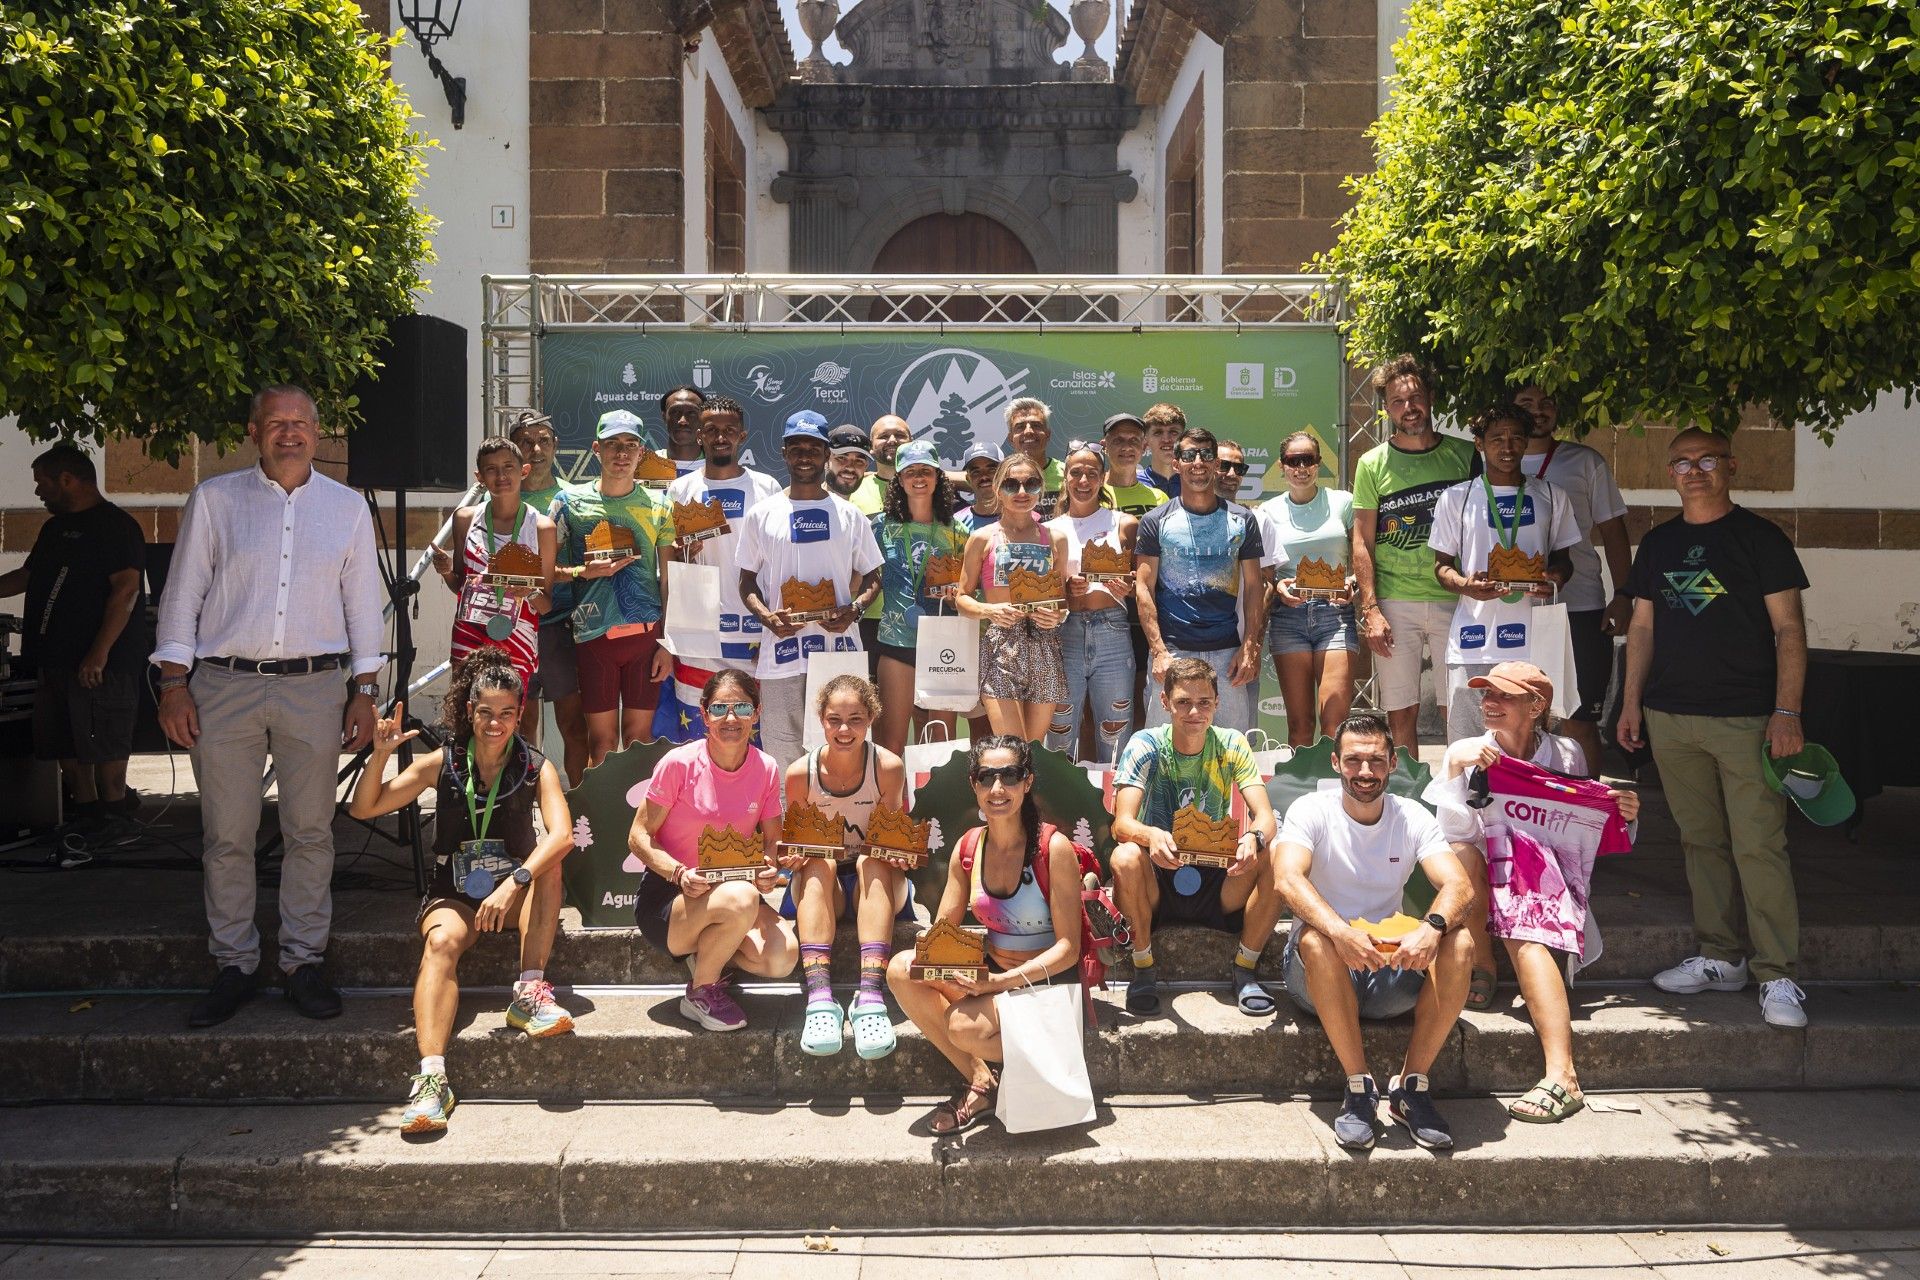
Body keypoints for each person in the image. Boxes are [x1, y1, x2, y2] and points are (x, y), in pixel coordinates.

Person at [152, 384, 384, 1028]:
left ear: (318, 432)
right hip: (222, 686)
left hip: (315, 686)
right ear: (253, 430)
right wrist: (173, 683)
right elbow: (182, 595)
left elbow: (363, 605)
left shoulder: (346, 510)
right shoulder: (215, 501)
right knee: (226, 835)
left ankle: (302, 962)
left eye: (301, 422)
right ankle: (235, 963)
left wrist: (364, 691)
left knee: (311, 831)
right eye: (276, 422)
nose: (290, 433)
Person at [1619, 427, 1811, 1028]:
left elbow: (1790, 631)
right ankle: (1719, 958)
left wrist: (1788, 713)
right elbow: (1643, 630)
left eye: (1706, 460)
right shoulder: (1657, 544)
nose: (1694, 471)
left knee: (1759, 844)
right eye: (1682, 463)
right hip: (1672, 717)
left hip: (1748, 718)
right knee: (1700, 842)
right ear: (1669, 473)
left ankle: (1776, 974)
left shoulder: (1761, 539)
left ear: (1730, 465)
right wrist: (1630, 704)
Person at [346, 649, 575, 1135]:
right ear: (469, 712)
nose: (496, 723)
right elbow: (365, 809)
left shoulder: (536, 767)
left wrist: (515, 882)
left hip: (514, 893)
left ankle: (529, 991)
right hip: (455, 892)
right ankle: (432, 1079)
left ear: (520, 715)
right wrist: (382, 754)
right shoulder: (441, 763)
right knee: (441, 943)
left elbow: (561, 835)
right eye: (486, 712)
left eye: (507, 713)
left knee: (549, 867)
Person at [1430, 661, 1640, 1121]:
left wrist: (1623, 812)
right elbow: (1455, 833)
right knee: (1464, 858)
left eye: (1504, 695)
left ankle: (1563, 1075)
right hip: (1494, 867)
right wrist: (1455, 771)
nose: (1489, 703)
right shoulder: (1467, 749)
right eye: (1486, 694)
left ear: (1536, 705)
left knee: (1522, 905)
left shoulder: (1567, 753)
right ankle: (1483, 963)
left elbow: (1581, 821)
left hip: (1547, 875)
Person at [1273, 712, 1480, 1150]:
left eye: (1376, 761)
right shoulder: (1310, 809)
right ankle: (1358, 1087)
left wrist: (1433, 927)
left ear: (1391, 765)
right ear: (1335, 764)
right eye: (1353, 761)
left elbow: (1459, 884)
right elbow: (1287, 878)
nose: (1364, 772)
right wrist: (1340, 932)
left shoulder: (1411, 816)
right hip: (1318, 971)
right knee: (1316, 938)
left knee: (1459, 941)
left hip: (1390, 968)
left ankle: (1411, 1088)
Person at [886, 735, 1083, 1135]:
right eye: (986, 777)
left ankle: (1037, 1066)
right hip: (993, 982)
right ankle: (983, 1080)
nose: (998, 789)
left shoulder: (1054, 848)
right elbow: (943, 935)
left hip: (1045, 985)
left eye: (1009, 776)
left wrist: (999, 982)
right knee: (902, 968)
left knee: (963, 1027)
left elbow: (1069, 949)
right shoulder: (969, 848)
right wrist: (943, 967)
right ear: (973, 784)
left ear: (1027, 782)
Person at [1108, 658, 1284, 1016]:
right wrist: (1151, 834)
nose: (1194, 712)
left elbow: (1265, 817)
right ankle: (1143, 968)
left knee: (1277, 853)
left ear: (1217, 703)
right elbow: (1121, 824)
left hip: (1217, 876)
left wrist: (1254, 839)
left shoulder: (1232, 743)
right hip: (1158, 875)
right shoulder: (1146, 745)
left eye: (1204, 702)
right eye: (1183, 702)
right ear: (1164, 703)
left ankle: (1245, 968)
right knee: (1124, 857)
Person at [626, 668, 798, 1031]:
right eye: (719, 709)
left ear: (757, 713)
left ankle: (710, 957)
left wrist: (770, 869)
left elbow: (772, 841)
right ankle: (701, 991)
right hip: (670, 900)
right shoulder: (678, 764)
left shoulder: (766, 768)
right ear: (703, 715)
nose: (731, 718)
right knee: (740, 899)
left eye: (741, 707)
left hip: (736, 893)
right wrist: (678, 873)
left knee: (782, 958)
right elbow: (638, 836)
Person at [0, 444, 147, 827]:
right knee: (64, 746)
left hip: (102, 663)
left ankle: (115, 819)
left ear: (67, 480)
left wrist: (98, 653)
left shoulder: (116, 526)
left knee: (106, 745)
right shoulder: (53, 529)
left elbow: (126, 590)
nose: (37, 492)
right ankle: (86, 819)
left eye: (42, 483)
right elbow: (26, 577)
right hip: (53, 659)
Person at [736, 415, 883, 772]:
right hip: (782, 654)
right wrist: (766, 618)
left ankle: (843, 826)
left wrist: (856, 609)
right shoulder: (761, 514)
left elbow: (874, 576)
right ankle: (790, 828)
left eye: (813, 449)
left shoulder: (850, 515)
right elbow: (746, 583)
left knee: (845, 753)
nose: (805, 457)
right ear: (784, 453)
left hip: (838, 650)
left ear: (825, 455)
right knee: (783, 756)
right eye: (797, 449)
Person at [1429, 403, 1579, 742]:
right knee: (1469, 747)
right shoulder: (1457, 498)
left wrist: (1554, 579)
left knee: (1537, 744)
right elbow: (1441, 567)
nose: (1507, 448)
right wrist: (1465, 586)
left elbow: (1564, 560)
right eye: (1497, 439)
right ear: (1479, 444)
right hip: (1474, 640)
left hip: (1536, 641)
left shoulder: (1552, 496)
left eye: (1516, 438)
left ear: (1526, 443)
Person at [780, 675, 912, 1058]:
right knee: (820, 862)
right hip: (827, 887)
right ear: (820, 719)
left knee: (872, 857)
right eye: (834, 719)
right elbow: (794, 848)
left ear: (871, 718)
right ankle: (820, 999)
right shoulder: (798, 774)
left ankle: (869, 995)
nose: (843, 729)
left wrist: (897, 852)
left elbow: (890, 839)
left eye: (855, 719)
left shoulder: (888, 767)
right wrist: (792, 857)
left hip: (877, 881)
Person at [1351, 356, 1476, 750]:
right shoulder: (1371, 464)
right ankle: (1409, 796)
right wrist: (1370, 610)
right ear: (1386, 407)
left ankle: (1458, 798)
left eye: (1416, 398)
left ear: (1432, 399)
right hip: (1395, 603)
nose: (1409, 408)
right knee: (1400, 710)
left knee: (1457, 706)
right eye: (1398, 401)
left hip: (1455, 601)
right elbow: (1361, 541)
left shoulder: (1466, 455)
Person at [1513, 383, 1633, 772]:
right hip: (1513, 612)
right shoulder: (1490, 463)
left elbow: (1614, 533)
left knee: (1579, 723)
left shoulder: (1585, 461)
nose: (1538, 411)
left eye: (1547, 402)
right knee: (1518, 720)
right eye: (1527, 404)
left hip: (1579, 606)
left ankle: (1587, 820)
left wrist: (1624, 595)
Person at [552, 410, 677, 768]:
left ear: (641, 453)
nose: (621, 454)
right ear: (596, 449)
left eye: (630, 445)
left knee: (640, 741)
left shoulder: (661, 505)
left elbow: (669, 580)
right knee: (602, 744)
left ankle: (639, 825)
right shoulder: (569, 502)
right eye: (612, 445)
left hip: (645, 638)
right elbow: (544, 572)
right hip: (594, 637)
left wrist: (668, 644)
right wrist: (581, 571)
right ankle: (604, 825)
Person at [1135, 426, 1266, 734]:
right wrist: (1159, 652)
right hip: (1174, 652)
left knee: (1232, 754)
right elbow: (1144, 587)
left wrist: (1249, 647)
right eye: (1189, 455)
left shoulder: (1242, 520)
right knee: (1162, 751)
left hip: (1227, 656)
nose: (1198, 462)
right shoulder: (1155, 521)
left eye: (1206, 454)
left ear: (1215, 464)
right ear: (1176, 463)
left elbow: (1254, 588)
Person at [662, 396, 783, 723]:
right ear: (699, 435)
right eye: (711, 430)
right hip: (699, 630)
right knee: (699, 727)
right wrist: (683, 552)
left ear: (741, 436)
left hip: (753, 628)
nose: (720, 437)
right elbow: (670, 563)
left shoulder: (766, 487)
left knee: (751, 727)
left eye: (729, 430)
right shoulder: (680, 489)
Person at [429, 436, 557, 693]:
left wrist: (529, 592)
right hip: (469, 633)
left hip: (517, 636)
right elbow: (461, 587)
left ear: (524, 470)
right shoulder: (465, 518)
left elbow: (545, 605)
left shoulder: (542, 527)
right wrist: (445, 573)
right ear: (480, 477)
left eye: (508, 466)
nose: (501, 475)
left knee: (509, 720)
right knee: (466, 713)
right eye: (491, 469)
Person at [954, 453, 1068, 741]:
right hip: (1000, 645)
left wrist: (1058, 614)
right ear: (996, 489)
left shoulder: (1056, 538)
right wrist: (989, 610)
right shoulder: (982, 538)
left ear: (1041, 488)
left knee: (1034, 748)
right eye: (1010, 484)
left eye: (1030, 484)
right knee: (1011, 747)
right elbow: (961, 598)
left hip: (1044, 644)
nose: (1021, 492)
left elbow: (1061, 599)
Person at [1258, 430, 1359, 747]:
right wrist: (1277, 587)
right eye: (1293, 460)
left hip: (1336, 616)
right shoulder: (1266, 512)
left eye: (1308, 460)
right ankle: (1302, 794)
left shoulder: (1344, 502)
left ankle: (1336, 793)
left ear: (1318, 464)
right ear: (1282, 465)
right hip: (1289, 619)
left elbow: (1363, 556)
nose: (1301, 468)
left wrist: (1353, 582)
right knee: (1300, 726)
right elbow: (1264, 574)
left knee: (1334, 721)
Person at [869, 440, 967, 756]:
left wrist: (958, 597)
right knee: (891, 744)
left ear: (939, 477)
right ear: (898, 479)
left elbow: (970, 588)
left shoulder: (958, 529)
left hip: (944, 645)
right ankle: (894, 808)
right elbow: (864, 578)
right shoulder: (881, 526)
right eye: (910, 472)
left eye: (926, 471)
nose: (919, 478)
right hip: (897, 641)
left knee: (942, 743)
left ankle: (936, 807)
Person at [1044, 440, 1139, 766]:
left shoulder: (1124, 524)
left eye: (1091, 474)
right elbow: (1043, 595)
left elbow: (1143, 581)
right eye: (1076, 473)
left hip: (1112, 629)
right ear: (1065, 478)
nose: (1083, 481)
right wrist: (1066, 592)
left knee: (1115, 728)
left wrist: (1128, 586)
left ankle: (1114, 812)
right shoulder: (1047, 530)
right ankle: (1057, 812)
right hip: (1063, 633)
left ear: (1102, 478)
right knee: (1059, 728)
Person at [511, 410, 589, 785]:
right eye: (526, 441)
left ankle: (579, 816)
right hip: (513, 629)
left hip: (560, 626)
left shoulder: (573, 500)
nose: (536, 449)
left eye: (543, 440)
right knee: (523, 727)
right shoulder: (500, 500)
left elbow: (580, 565)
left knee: (574, 725)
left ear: (556, 446)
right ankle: (524, 809)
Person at [850, 415, 908, 665]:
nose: (892, 440)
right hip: (865, 613)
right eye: (883, 436)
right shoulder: (851, 488)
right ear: (871, 447)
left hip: (911, 613)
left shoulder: (926, 486)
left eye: (900, 435)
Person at [1003, 397, 1066, 517]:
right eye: (1020, 427)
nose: (1028, 431)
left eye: (1036, 425)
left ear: (1048, 434)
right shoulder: (1002, 476)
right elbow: (970, 478)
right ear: (1011, 438)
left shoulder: (1067, 473)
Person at [1098, 412, 1169, 516]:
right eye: (1118, 440)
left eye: (1134, 440)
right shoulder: (1091, 496)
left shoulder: (1160, 498)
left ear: (1144, 447)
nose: (1127, 447)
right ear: (1104, 446)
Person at [953, 442, 1003, 535]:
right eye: (976, 472)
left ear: (1004, 473)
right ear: (968, 479)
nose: (984, 477)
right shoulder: (956, 523)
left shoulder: (1026, 517)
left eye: (991, 470)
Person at [659, 384, 707, 476]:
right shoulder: (643, 466)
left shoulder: (719, 468)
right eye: (675, 412)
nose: (683, 421)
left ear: (704, 418)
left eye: (692, 413)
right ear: (664, 417)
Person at [1141, 402, 1185, 497]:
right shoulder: (1134, 483)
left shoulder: (1196, 483)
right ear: (1146, 440)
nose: (1166, 439)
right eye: (1158, 432)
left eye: (1173, 432)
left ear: (1184, 438)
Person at [826, 422, 872, 501]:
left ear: (866, 466)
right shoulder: (804, 504)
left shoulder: (872, 507)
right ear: (825, 460)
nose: (850, 468)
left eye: (859, 461)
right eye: (842, 458)